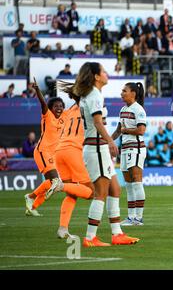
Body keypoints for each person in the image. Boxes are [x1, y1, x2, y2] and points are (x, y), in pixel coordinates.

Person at [63, 62, 140, 246]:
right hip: (96, 147)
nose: (107, 74)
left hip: (98, 147)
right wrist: (111, 142)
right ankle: (90, 237)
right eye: (104, 71)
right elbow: (98, 123)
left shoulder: (90, 94)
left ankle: (117, 234)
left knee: (115, 189)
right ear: (97, 76)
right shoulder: (94, 95)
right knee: (101, 193)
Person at [24, 78, 91, 218]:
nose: (59, 108)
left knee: (52, 183)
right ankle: (30, 198)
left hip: (54, 154)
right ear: (51, 108)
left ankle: (32, 203)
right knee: (55, 182)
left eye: (61, 105)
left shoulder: (65, 116)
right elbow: (43, 104)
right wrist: (37, 90)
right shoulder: (47, 116)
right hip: (43, 151)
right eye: (56, 106)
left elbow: (76, 105)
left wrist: (77, 91)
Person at [52, 88, 95, 238]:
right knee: (92, 192)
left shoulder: (70, 110)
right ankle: (60, 185)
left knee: (71, 194)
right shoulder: (88, 107)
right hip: (73, 150)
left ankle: (62, 229)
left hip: (59, 151)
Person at [110, 82, 147, 226]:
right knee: (129, 184)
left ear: (133, 93)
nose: (122, 93)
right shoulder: (123, 109)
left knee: (137, 182)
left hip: (136, 148)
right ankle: (131, 217)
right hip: (125, 148)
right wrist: (107, 141)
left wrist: (126, 131)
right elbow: (119, 130)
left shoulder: (139, 110)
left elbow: (141, 130)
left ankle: (139, 217)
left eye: (124, 91)